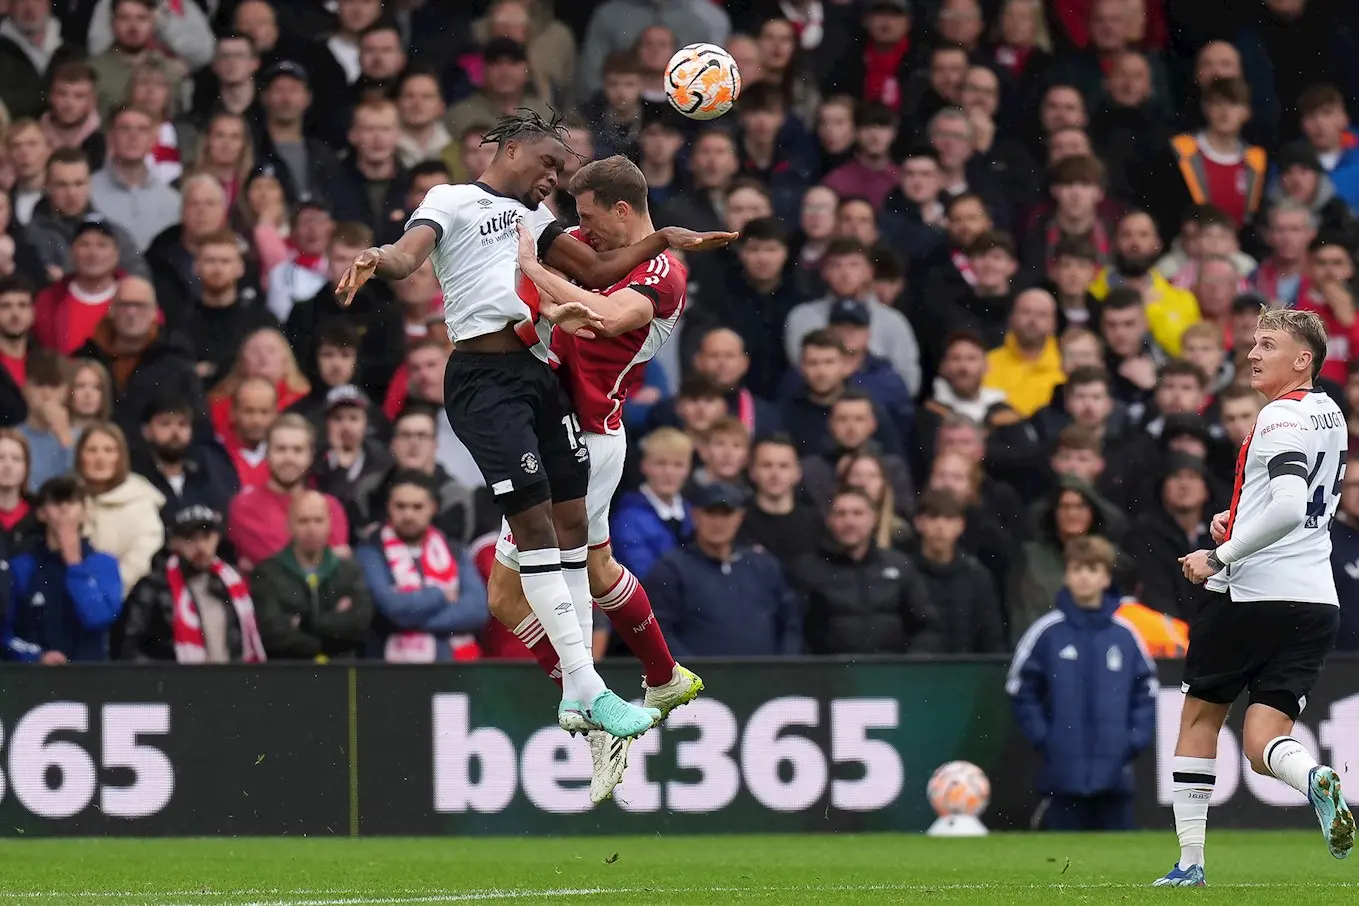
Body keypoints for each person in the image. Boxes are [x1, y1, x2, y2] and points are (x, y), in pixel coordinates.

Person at [334, 110, 733, 742]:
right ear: (512, 149)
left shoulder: (535, 219)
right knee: (539, 533)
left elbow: (600, 275)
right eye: (548, 164)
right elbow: (409, 259)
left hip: (537, 378)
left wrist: (666, 238)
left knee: (571, 531)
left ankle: (594, 692)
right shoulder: (452, 199)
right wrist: (374, 256)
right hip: (483, 380)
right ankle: (591, 690)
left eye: (561, 171)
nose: (552, 179)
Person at [485, 156, 705, 802]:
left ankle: (593, 703)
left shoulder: (663, 274)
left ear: (621, 210)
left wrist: (537, 275)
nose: (579, 232)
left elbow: (608, 317)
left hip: (586, 438)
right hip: (564, 428)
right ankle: (660, 676)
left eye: (588, 218)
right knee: (597, 567)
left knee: (509, 594)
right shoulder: (592, 245)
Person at [1162, 309, 1353, 886]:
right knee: (1263, 741)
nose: (1252, 353)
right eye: (1252, 342)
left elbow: (1290, 504)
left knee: (1198, 717)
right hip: (1316, 600)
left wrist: (1219, 555)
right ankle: (1316, 777)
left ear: (1303, 359)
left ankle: (1190, 864)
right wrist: (1241, 515)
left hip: (1252, 595)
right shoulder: (1332, 414)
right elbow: (1294, 504)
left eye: (1267, 344)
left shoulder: (1277, 416)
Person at [1007, 535, 1157, 831]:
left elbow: (1148, 691)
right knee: (1065, 868)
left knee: (1122, 866)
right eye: (1077, 569)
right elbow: (1019, 689)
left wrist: (1132, 741)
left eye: (1093, 569)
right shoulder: (1047, 632)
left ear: (1106, 577)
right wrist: (1044, 737)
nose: (1084, 577)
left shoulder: (1125, 634)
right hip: (1062, 777)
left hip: (1115, 776)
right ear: (1066, 576)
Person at [355, 470, 487, 662]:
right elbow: (389, 608)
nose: (408, 514)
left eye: (417, 507)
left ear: (432, 508)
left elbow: (476, 610)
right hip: (391, 669)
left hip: (452, 665)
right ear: (388, 507)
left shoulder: (455, 551)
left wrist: (412, 620)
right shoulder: (370, 551)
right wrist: (441, 595)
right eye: (400, 506)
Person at [791, 487, 939, 655]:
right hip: (831, 676)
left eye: (858, 513)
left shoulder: (900, 565)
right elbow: (795, 632)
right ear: (829, 520)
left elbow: (926, 625)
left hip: (892, 674)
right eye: (841, 514)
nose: (849, 521)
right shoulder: (807, 569)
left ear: (873, 519)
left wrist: (910, 664)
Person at [120, 505, 266, 663]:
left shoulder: (234, 583)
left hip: (231, 681)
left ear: (217, 538)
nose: (201, 547)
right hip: (175, 684)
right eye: (191, 538)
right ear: (174, 542)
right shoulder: (152, 588)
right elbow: (129, 648)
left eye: (206, 537)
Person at [1, 476, 123, 663]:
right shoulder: (22, 566)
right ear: (41, 513)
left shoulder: (103, 563)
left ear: (84, 511)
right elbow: (6, 633)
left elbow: (100, 618)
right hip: (35, 680)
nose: (65, 509)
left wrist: (74, 564)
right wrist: (37, 656)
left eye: (72, 502)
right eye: (56, 502)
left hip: (90, 680)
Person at [249, 490, 373, 661]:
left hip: (341, 672)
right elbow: (273, 633)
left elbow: (358, 624)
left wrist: (302, 624)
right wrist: (325, 639)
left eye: (318, 520)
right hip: (290, 673)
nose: (311, 529)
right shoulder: (267, 573)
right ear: (289, 525)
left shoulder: (349, 570)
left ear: (329, 524)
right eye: (303, 521)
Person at [75, 420, 166, 594]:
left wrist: (107, 595)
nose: (100, 458)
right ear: (80, 456)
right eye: (92, 450)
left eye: (109, 450)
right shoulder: (68, 498)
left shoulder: (141, 502)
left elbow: (140, 562)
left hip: (126, 601)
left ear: (121, 457)